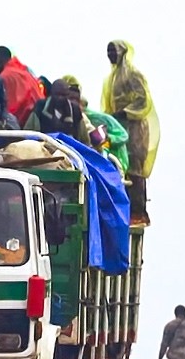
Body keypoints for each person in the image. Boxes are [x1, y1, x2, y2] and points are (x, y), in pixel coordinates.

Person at [102, 40, 160, 225]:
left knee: (135, 168)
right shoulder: (112, 77)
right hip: (119, 126)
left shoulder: (134, 75)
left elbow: (143, 101)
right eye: (108, 51)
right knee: (120, 166)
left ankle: (138, 211)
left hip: (135, 128)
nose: (110, 55)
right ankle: (125, 210)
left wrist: (125, 112)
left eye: (113, 51)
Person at [26, 78, 92, 144]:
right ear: (51, 93)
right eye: (57, 94)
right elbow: (29, 133)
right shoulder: (41, 106)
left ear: (67, 94)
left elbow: (84, 140)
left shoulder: (75, 110)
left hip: (70, 150)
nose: (60, 98)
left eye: (63, 95)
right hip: (43, 147)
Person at [0, 46, 45, 127]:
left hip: (28, 124)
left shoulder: (5, 76)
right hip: (39, 120)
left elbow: (10, 109)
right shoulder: (26, 73)